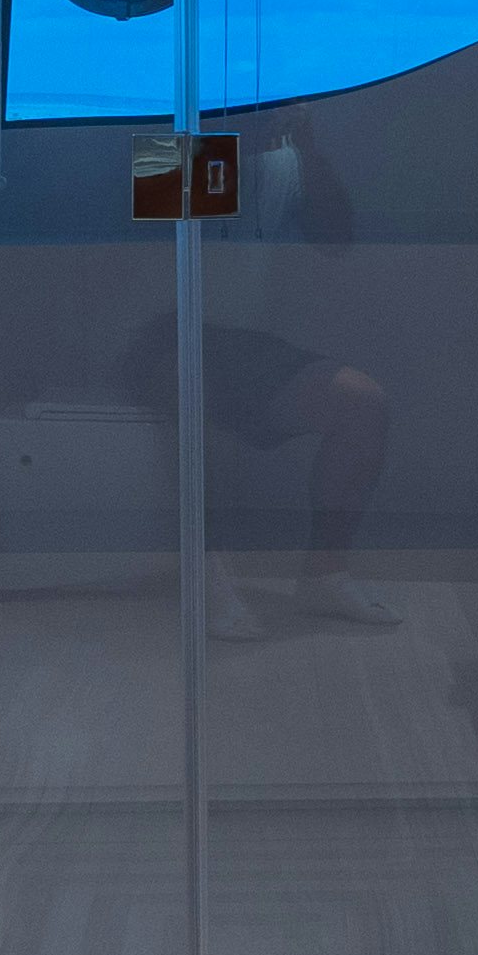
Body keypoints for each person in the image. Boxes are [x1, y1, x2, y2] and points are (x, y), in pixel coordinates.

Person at [113, 130, 398, 631]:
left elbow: (336, 236)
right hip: (154, 328)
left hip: (241, 342)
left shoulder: (284, 153)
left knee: (363, 405)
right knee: (192, 391)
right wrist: (243, 129)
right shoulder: (174, 119)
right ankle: (206, 577)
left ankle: (324, 577)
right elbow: (180, 225)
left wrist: (307, 138)